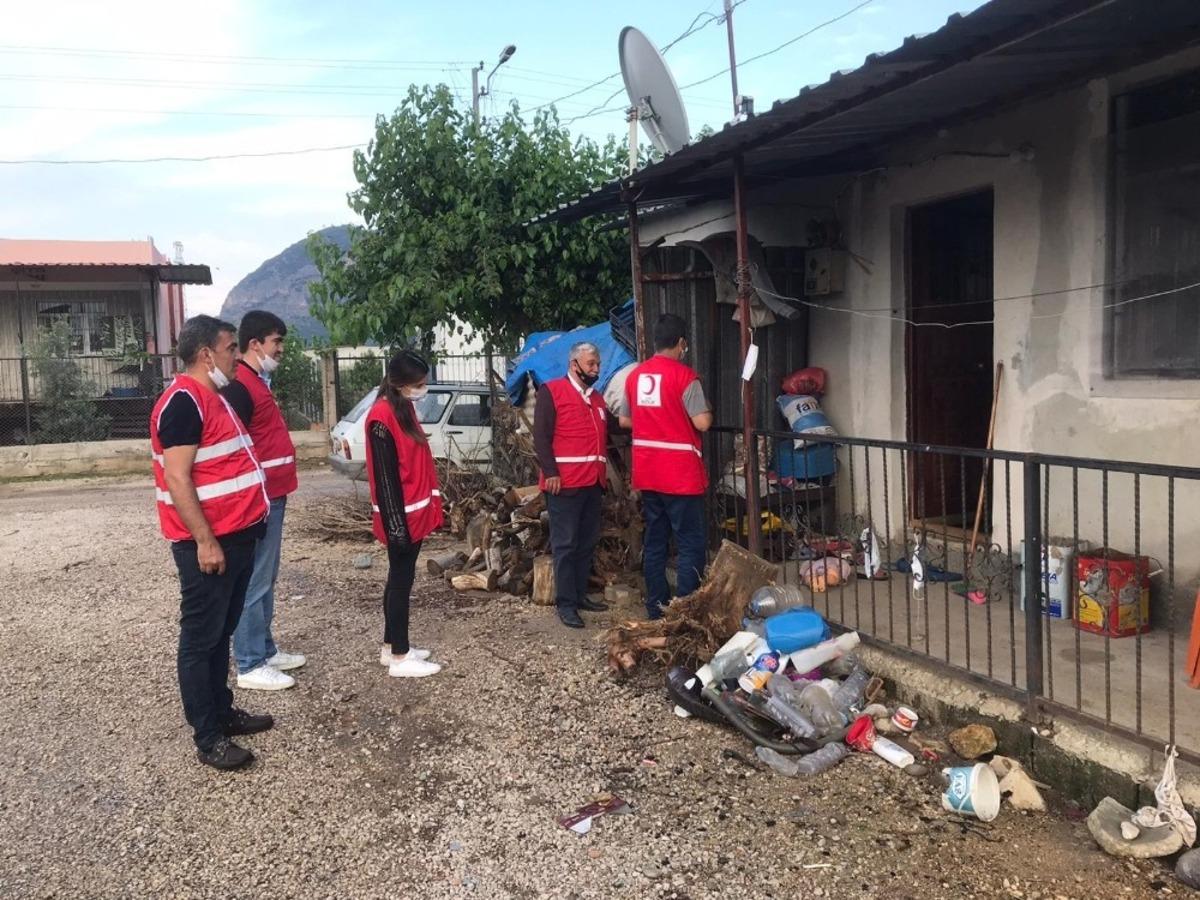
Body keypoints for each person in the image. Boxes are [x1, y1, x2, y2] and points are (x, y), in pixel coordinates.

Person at [149, 315, 273, 771]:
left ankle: (223, 712)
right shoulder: (183, 401)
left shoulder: (210, 397)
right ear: (206, 354)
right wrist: (205, 540)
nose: (236, 356)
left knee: (221, 631)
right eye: (230, 347)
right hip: (211, 543)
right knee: (201, 639)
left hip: (238, 537)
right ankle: (208, 736)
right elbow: (178, 478)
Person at [220, 310, 306, 691]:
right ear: (255, 344)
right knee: (255, 579)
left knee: (267, 576)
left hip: (274, 493)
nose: (281, 349)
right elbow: (231, 445)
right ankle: (250, 662)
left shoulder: (258, 382)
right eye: (277, 342)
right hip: (261, 497)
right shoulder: (241, 387)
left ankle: (265, 649)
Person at [619, 313, 713, 620]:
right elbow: (702, 422)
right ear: (682, 343)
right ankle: (685, 611)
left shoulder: (635, 377)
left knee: (656, 539)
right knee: (690, 543)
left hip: (648, 472)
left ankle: (656, 608)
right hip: (680, 475)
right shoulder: (685, 377)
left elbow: (625, 420)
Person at [364, 350, 444, 678]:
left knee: (401, 578)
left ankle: (390, 645)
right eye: (418, 384)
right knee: (400, 582)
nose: (422, 389)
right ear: (399, 384)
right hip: (401, 517)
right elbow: (385, 480)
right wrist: (396, 527)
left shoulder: (402, 408)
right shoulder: (381, 418)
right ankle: (400, 655)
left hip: (414, 512)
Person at [533, 341, 612, 629]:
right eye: (591, 364)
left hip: (592, 482)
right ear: (574, 364)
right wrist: (550, 471)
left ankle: (579, 596)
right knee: (565, 545)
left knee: (586, 542)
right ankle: (565, 604)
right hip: (563, 484)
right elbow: (541, 437)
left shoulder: (597, 399)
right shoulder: (551, 392)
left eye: (598, 364)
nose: (596, 369)